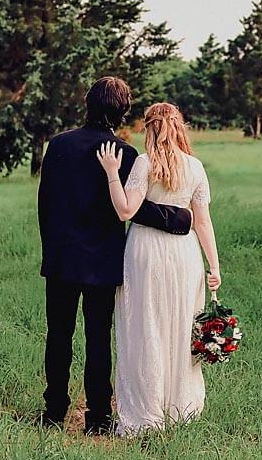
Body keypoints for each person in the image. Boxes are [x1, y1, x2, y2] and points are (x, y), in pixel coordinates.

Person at [38, 77, 192, 435]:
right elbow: (132, 209)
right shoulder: (126, 153)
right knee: (98, 338)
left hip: (61, 258)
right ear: (122, 111)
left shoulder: (58, 145)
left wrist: (53, 251)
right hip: (103, 261)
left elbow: (45, 204)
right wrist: (178, 217)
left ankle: (53, 411)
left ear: (87, 103)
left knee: (58, 335)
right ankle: (98, 417)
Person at [97, 102, 221, 435]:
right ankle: (179, 409)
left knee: (144, 325)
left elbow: (124, 211)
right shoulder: (195, 167)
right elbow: (203, 222)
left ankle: (145, 411)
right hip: (185, 256)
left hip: (145, 252)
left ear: (149, 128)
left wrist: (111, 171)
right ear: (180, 127)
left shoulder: (143, 163)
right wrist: (215, 265)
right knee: (180, 328)